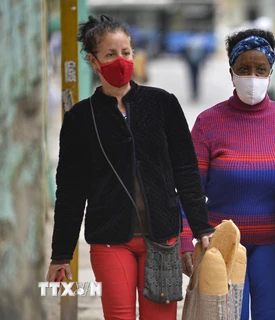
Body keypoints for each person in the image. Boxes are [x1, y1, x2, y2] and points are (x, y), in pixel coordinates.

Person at [46, 15, 215, 319]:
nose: (121, 60)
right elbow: (70, 193)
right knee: (119, 316)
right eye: (110, 54)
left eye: (125, 52)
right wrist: (61, 254)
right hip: (110, 240)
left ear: (134, 55)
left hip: (163, 239)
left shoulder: (163, 103)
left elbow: (186, 171)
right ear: (93, 61)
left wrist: (201, 228)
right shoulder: (80, 119)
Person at [180, 28, 275, 320]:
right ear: (231, 71)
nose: (252, 77)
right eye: (244, 68)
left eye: (261, 69)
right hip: (221, 247)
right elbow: (190, 189)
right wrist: (186, 238)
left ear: (271, 71)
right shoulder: (208, 123)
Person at [182, 33, 208, 101]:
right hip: (197, 63)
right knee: (197, 78)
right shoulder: (200, 42)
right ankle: (196, 93)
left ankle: (194, 93)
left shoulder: (188, 41)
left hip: (191, 63)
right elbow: (204, 54)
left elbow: (185, 53)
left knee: (192, 78)